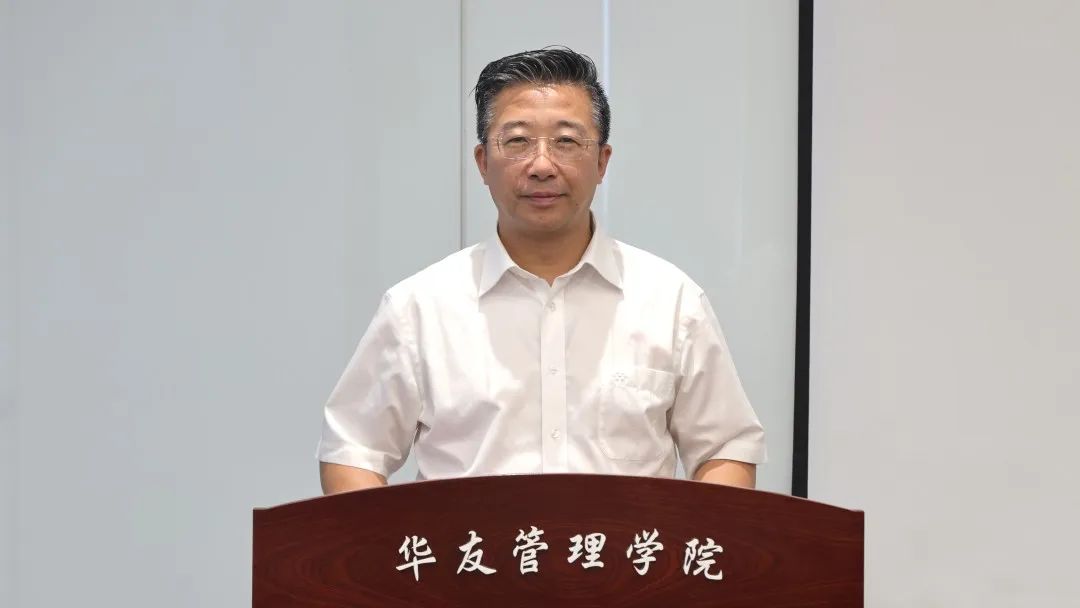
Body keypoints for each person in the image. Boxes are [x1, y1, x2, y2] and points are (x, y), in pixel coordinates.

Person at [318, 47, 765, 494]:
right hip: (470, 543)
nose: (542, 166)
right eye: (517, 142)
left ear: (602, 162)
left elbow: (723, 448)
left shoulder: (671, 301)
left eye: (566, 142)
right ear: (483, 163)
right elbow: (353, 450)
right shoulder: (419, 307)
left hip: (624, 544)